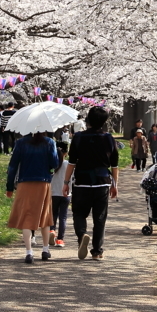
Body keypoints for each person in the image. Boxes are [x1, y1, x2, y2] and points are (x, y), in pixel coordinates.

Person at [63, 106, 119, 261]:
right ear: (104, 121)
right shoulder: (109, 138)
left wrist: (66, 182)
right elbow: (114, 166)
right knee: (100, 218)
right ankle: (97, 251)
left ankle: (82, 235)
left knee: (79, 213)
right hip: (102, 183)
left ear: (88, 119)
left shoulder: (79, 137)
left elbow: (72, 163)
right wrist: (115, 185)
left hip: (82, 182)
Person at [6, 129, 60, 263]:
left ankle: (29, 252)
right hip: (43, 183)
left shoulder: (20, 143)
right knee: (45, 217)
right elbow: (54, 164)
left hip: (25, 182)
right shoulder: (49, 142)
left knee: (26, 217)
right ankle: (45, 250)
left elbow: (13, 166)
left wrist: (9, 187)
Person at [49, 142, 70, 248]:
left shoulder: (52, 164)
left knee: (53, 215)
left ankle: (52, 230)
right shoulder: (67, 164)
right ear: (65, 153)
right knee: (63, 217)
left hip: (53, 193)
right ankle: (60, 239)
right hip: (65, 193)